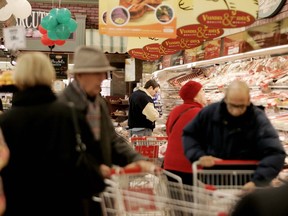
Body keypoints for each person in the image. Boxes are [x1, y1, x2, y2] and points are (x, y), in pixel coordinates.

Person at [58, 46, 158, 215]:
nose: (104, 78)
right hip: (73, 195)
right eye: (98, 73)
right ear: (80, 75)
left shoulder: (98, 103)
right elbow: (61, 155)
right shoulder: (62, 107)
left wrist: (135, 158)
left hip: (100, 190)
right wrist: (95, 170)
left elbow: (112, 139)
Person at [0, 52, 104, 216]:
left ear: (18, 76)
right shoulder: (70, 114)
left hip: (19, 205)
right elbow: (94, 155)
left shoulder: (5, 122)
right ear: (49, 73)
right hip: (66, 205)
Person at [182, 80, 286, 190]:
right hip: (215, 182)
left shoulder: (258, 120)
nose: (236, 111)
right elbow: (189, 135)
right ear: (225, 99)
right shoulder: (209, 113)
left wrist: (258, 181)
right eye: (232, 106)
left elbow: (276, 153)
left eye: (241, 106)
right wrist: (199, 155)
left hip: (248, 184)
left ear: (248, 101)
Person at [164, 80, 207, 185]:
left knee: (177, 199)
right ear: (195, 96)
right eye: (202, 91)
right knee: (193, 200)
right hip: (190, 167)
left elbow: (169, 133)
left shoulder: (175, 111)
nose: (205, 94)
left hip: (170, 166)